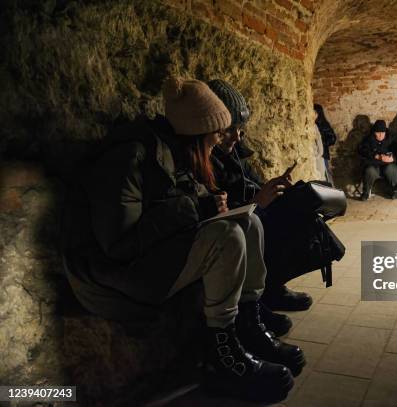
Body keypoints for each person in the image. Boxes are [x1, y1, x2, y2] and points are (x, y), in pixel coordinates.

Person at [62, 77, 304, 402]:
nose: (219, 143)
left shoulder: (177, 154)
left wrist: (212, 207)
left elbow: (187, 207)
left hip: (145, 262)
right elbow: (117, 245)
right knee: (228, 235)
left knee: (247, 223)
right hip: (111, 282)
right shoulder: (132, 158)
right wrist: (195, 208)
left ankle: (246, 325)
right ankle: (223, 358)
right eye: (216, 135)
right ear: (197, 134)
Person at [207, 79, 314, 317]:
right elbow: (218, 211)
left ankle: (273, 286)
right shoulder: (205, 157)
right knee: (263, 226)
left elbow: (253, 183)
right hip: (239, 223)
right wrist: (258, 201)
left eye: (240, 129)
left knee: (304, 207)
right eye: (229, 129)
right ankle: (259, 298)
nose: (236, 136)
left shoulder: (234, 152)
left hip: (250, 212)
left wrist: (273, 188)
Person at [358, 119, 397, 201]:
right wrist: (376, 156)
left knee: (392, 169)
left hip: (387, 166)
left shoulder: (391, 138)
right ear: (374, 132)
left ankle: (395, 190)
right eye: (378, 133)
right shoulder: (368, 139)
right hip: (374, 165)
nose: (381, 135)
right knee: (369, 170)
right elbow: (362, 150)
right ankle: (366, 191)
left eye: (382, 133)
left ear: (385, 132)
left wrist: (393, 158)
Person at [314, 104, 337, 185]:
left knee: (326, 173)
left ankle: (331, 192)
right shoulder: (311, 125)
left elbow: (332, 138)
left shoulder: (324, 124)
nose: (313, 115)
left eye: (315, 113)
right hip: (315, 154)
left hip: (323, 154)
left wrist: (322, 143)